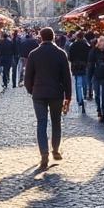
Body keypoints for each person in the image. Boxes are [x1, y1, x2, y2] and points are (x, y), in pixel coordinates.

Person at [23, 27, 71, 171]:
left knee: (41, 123)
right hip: (56, 93)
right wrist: (68, 96)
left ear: (41, 38)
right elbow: (67, 78)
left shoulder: (33, 54)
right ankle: (55, 150)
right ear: (54, 37)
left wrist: (32, 91)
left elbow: (27, 78)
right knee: (56, 122)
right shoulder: (61, 53)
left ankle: (44, 153)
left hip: (39, 94)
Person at [87, 36, 104, 122]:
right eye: (101, 41)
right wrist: (89, 76)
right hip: (96, 75)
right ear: (98, 43)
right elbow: (90, 63)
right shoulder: (94, 51)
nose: (102, 43)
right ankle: (99, 109)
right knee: (97, 94)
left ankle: (103, 113)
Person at [67, 31, 91, 114]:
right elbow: (89, 56)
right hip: (84, 66)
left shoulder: (72, 45)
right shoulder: (86, 45)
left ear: (77, 37)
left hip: (75, 66)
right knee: (84, 81)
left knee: (78, 83)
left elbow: (70, 57)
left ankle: (79, 99)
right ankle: (84, 95)